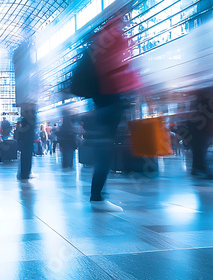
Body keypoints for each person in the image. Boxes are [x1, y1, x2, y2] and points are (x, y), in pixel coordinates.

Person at [86, 15, 141, 211]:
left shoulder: (99, 41)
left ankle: (97, 195)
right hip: (110, 102)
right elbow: (119, 68)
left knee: (103, 149)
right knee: (105, 151)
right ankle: (98, 197)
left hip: (101, 104)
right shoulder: (114, 38)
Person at [188, 86, 213, 179]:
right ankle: (203, 168)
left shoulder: (199, 97)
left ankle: (197, 168)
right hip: (203, 124)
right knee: (202, 147)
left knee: (199, 147)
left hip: (198, 124)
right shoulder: (207, 94)